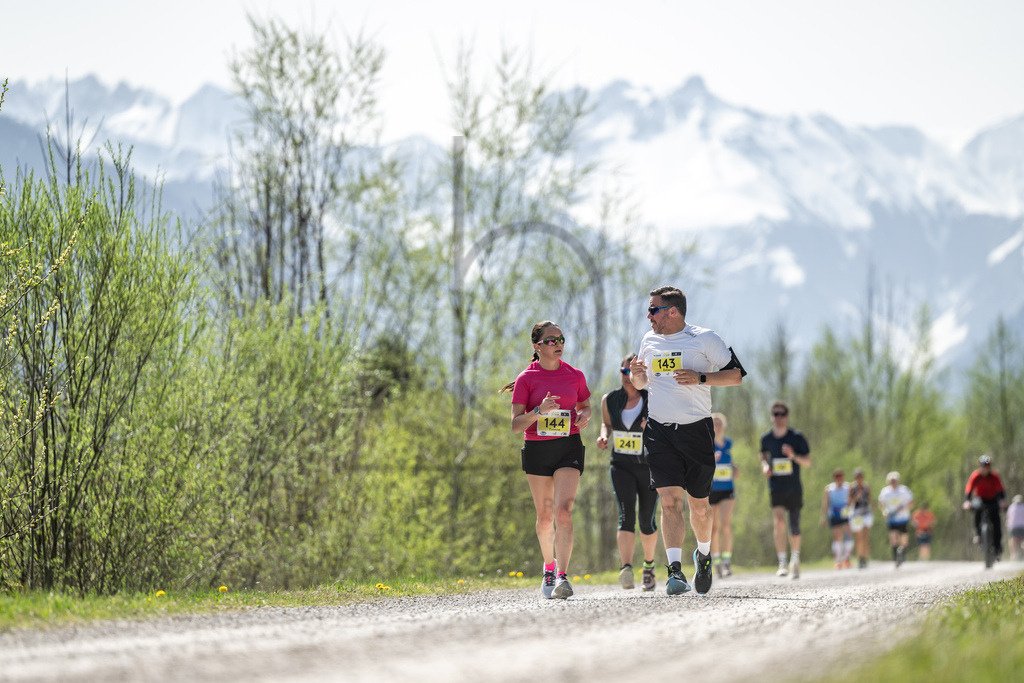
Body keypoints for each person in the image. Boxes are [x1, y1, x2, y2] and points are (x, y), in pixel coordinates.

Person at [629, 286, 746, 596]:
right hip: (659, 430)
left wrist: (701, 377)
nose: (648, 315)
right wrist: (636, 375)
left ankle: (704, 556)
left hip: (696, 431)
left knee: (700, 508)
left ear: (673, 312)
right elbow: (643, 382)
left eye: (653, 309)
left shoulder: (705, 339)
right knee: (669, 501)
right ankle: (675, 571)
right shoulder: (648, 340)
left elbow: (736, 375)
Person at [503, 321, 592, 600]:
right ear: (537, 346)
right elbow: (516, 425)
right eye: (552, 340)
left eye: (561, 339)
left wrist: (585, 415)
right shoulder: (526, 379)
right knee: (544, 519)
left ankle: (563, 577)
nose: (559, 344)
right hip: (538, 450)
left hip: (568, 446)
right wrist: (539, 412)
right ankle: (549, 568)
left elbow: (585, 405)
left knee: (564, 512)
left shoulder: (575, 375)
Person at [597, 354, 659, 592]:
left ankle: (649, 566)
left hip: (648, 466)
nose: (627, 377)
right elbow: (607, 423)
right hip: (621, 464)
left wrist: (650, 427)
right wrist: (604, 436)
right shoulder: (610, 399)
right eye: (624, 372)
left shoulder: (652, 398)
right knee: (625, 515)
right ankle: (625, 568)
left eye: (631, 372)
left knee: (646, 519)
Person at [759, 400, 811, 579]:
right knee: (779, 522)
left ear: (787, 416)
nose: (778, 418)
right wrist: (765, 466)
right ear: (771, 417)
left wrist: (793, 456)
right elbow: (763, 455)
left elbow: (808, 462)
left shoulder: (796, 437)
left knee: (794, 524)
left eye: (782, 414)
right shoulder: (766, 439)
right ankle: (782, 562)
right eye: (775, 414)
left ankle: (795, 560)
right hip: (776, 487)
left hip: (794, 487)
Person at [961, 454, 1006, 561]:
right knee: (977, 511)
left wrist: (1002, 501)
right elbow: (969, 488)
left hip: (992, 499)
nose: (984, 469)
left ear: (989, 467)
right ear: (979, 466)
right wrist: (967, 501)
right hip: (980, 498)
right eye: (982, 466)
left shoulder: (994, 476)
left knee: (996, 522)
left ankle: (997, 548)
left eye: (987, 466)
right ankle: (978, 534)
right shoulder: (976, 476)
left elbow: (1000, 489)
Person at [710, 412, 738, 578]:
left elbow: (730, 462)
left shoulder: (729, 444)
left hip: (727, 488)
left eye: (719, 423)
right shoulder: (706, 443)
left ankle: (727, 561)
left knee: (726, 525)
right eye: (714, 423)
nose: (717, 426)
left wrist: (735, 469)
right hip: (711, 488)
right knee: (714, 527)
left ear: (724, 426)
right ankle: (716, 560)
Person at [877, 471, 914, 567]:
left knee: (903, 536)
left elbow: (911, 503)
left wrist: (904, 508)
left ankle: (902, 551)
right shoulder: (885, 492)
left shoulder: (904, 490)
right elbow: (881, 504)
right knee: (893, 537)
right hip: (891, 518)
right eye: (891, 480)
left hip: (903, 517)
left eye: (895, 480)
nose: (893, 482)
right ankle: (895, 556)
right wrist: (884, 511)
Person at [821, 468, 852, 569]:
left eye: (841, 477)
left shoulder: (848, 487)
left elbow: (851, 501)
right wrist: (823, 517)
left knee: (848, 535)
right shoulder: (829, 489)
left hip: (845, 514)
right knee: (837, 537)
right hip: (834, 514)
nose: (839, 479)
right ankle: (838, 560)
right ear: (834, 478)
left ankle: (847, 558)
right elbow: (825, 503)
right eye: (837, 477)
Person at [848, 468, 874, 568]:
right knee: (859, 538)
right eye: (857, 477)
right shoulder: (852, 488)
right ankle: (860, 558)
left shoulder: (867, 487)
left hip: (866, 513)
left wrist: (873, 505)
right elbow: (849, 502)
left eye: (861, 476)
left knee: (865, 537)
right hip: (856, 515)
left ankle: (866, 557)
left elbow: (870, 499)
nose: (859, 479)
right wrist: (856, 497)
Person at [1007, 494, 1024, 561]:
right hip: (1022, 526)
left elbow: (1008, 519)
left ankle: (1013, 555)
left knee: (1012, 540)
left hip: (1013, 527)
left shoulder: (1011, 507)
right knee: (1022, 541)